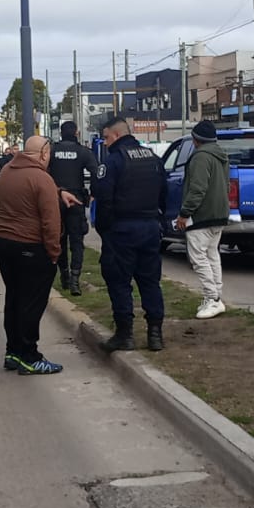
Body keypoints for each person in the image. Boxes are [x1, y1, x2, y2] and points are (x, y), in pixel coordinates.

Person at [92, 116, 168, 352]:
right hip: (149, 227)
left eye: (106, 138)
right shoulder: (154, 159)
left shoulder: (113, 162)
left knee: (119, 282)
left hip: (122, 230)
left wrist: (105, 230)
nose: (104, 143)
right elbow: (164, 195)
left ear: (116, 135)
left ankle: (125, 335)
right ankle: (155, 334)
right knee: (150, 281)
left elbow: (103, 199)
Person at [0, 136, 64, 375]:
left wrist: (59, 192)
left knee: (13, 299)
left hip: (4, 243)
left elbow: (28, 190)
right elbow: (51, 222)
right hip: (30, 247)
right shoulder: (42, 178)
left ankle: (12, 352)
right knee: (31, 304)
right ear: (44, 153)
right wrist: (54, 253)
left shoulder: (7, 171)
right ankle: (30, 357)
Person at [175, 122, 231, 319]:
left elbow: (197, 189)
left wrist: (184, 213)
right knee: (212, 255)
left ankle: (212, 298)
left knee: (198, 257)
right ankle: (216, 296)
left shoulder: (200, 157)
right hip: (220, 213)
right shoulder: (221, 155)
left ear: (196, 139)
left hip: (202, 215)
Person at [48, 120, 102, 296]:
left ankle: (63, 275)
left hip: (56, 200)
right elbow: (97, 172)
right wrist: (93, 193)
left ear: (61, 133)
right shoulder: (82, 152)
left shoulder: (52, 151)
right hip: (76, 201)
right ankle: (75, 281)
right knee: (77, 242)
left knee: (60, 240)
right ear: (76, 133)